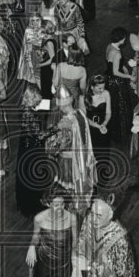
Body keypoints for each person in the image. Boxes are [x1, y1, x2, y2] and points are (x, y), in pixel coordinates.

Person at [72, 197, 136, 277]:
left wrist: (90, 266)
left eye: (99, 215)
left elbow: (120, 273)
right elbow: (80, 245)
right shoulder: (88, 220)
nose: (94, 219)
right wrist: (76, 266)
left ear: (110, 215)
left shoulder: (120, 239)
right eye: (92, 212)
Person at [26, 187, 78, 277]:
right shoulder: (39, 218)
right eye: (56, 205)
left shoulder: (72, 218)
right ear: (48, 204)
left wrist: (75, 264)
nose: (60, 208)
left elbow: (75, 242)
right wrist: (31, 247)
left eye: (62, 204)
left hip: (64, 263)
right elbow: (36, 236)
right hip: (45, 263)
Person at [45, 85, 97, 213]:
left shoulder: (65, 123)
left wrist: (49, 142)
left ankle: (70, 207)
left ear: (61, 105)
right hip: (83, 157)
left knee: (68, 185)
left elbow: (55, 146)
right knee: (80, 183)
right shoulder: (81, 114)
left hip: (69, 161)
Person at [16, 84, 52, 217]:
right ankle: (32, 205)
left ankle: (25, 203)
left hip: (24, 144)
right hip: (32, 147)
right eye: (37, 99)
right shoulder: (29, 114)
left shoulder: (23, 107)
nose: (39, 101)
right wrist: (56, 128)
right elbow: (40, 135)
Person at [104, 27, 135, 140]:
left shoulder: (110, 46)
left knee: (112, 105)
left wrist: (124, 68)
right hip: (116, 82)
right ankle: (121, 131)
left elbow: (111, 65)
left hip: (108, 79)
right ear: (121, 39)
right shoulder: (117, 53)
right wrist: (129, 76)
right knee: (121, 106)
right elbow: (116, 72)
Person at [86, 75, 112, 185]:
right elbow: (84, 117)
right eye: (99, 88)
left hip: (104, 127)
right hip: (90, 129)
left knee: (104, 153)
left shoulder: (106, 93)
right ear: (92, 87)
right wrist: (97, 126)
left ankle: (103, 178)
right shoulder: (84, 97)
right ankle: (91, 178)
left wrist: (104, 124)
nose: (102, 90)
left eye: (103, 87)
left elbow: (109, 112)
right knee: (93, 153)